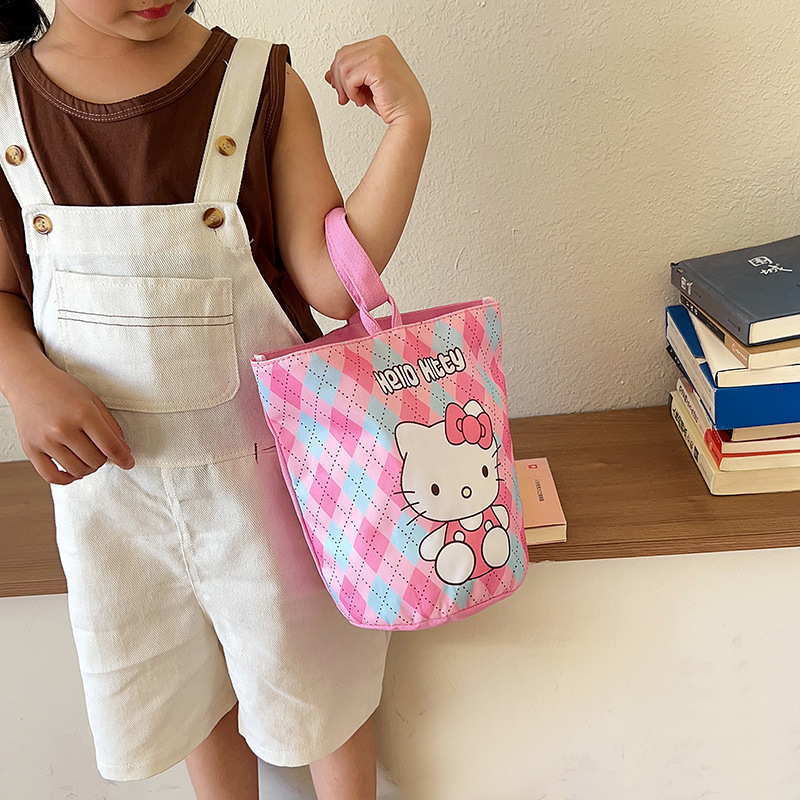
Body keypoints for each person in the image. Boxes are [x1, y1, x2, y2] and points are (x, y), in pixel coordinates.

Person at [0, 2, 430, 799]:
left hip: (274, 491)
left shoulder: (262, 84)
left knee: (324, 691)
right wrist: (21, 376)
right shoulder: (4, 107)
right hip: (113, 505)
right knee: (189, 692)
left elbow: (333, 286)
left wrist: (408, 127)